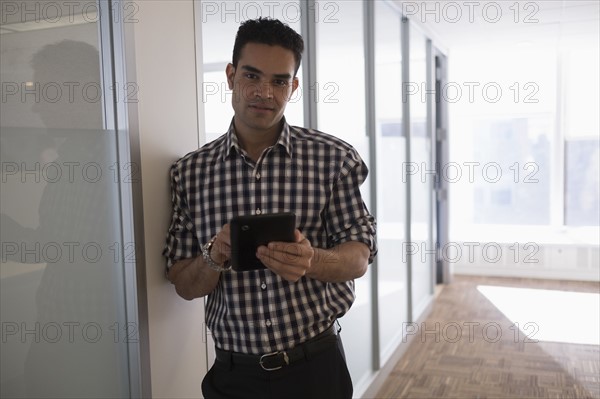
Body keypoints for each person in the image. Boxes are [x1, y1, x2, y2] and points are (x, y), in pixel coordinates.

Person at [164, 17, 377, 399]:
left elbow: (358, 257)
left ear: (293, 86)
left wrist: (310, 260)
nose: (264, 92)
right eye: (251, 75)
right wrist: (214, 256)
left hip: (317, 368)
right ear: (230, 76)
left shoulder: (334, 158)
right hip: (233, 376)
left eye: (280, 80)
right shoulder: (190, 173)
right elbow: (182, 284)